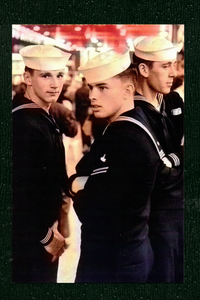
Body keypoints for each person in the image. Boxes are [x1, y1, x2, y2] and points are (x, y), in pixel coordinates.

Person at [68, 47, 170, 283]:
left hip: (114, 261)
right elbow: (82, 171)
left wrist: (79, 189)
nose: (92, 95)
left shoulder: (126, 138)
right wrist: (84, 184)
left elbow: (96, 211)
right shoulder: (121, 125)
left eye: (102, 88)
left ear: (128, 90)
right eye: (92, 87)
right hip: (124, 253)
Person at [12, 45, 72, 283]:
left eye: (59, 75)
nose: (55, 84)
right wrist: (46, 237)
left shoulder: (41, 116)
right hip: (30, 243)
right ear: (28, 78)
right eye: (46, 75)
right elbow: (17, 195)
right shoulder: (24, 124)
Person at [132, 36, 184, 282]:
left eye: (173, 65)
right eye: (165, 66)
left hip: (180, 211)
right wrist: (181, 155)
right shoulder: (133, 112)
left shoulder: (172, 100)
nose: (173, 73)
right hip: (155, 219)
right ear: (143, 69)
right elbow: (160, 176)